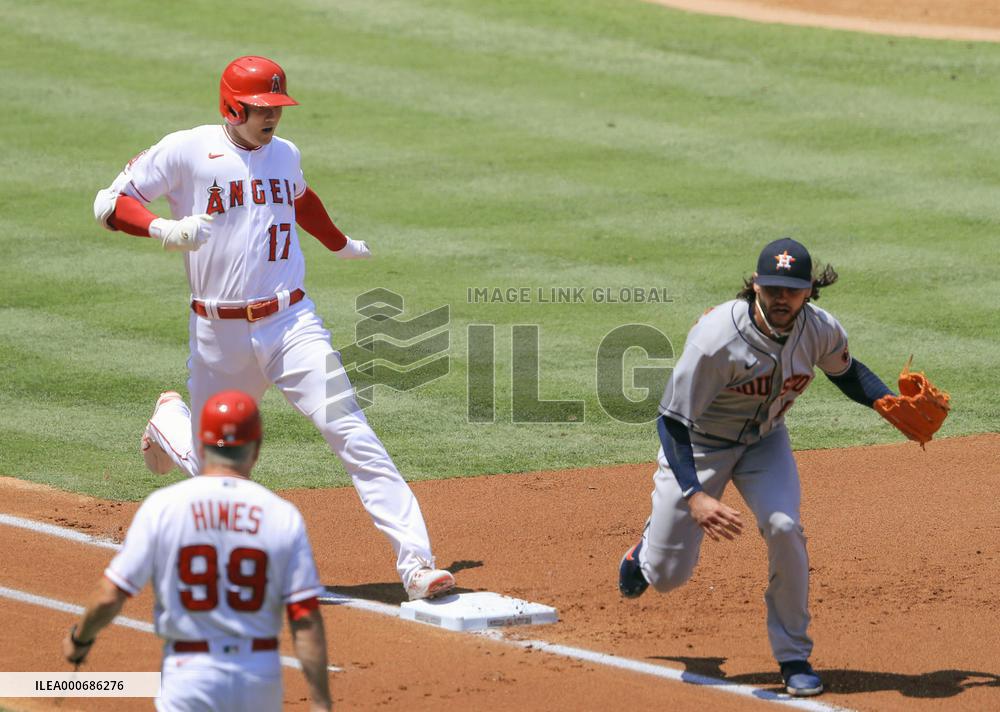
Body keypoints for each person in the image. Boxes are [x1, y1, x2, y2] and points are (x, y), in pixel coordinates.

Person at [92, 55, 454, 602]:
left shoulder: (284, 154)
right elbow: (108, 204)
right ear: (232, 106)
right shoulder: (186, 149)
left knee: (351, 430)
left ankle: (417, 564)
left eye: (277, 107)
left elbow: (301, 198)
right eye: (261, 108)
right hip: (220, 336)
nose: (272, 118)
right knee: (218, 475)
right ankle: (171, 422)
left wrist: (339, 243)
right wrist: (165, 229)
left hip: (291, 324)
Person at [617, 238, 947, 697]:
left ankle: (793, 656)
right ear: (755, 286)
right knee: (668, 576)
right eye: (772, 288)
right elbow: (672, 421)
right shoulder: (716, 340)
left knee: (784, 525)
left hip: (764, 443)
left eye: (791, 290)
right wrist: (695, 496)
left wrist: (880, 400)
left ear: (809, 291)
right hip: (699, 446)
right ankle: (644, 553)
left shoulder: (820, 329)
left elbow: (845, 371)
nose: (781, 298)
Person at [63, 390, 332, 712]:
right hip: (258, 676)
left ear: (200, 446)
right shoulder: (282, 515)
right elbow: (305, 618)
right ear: (256, 450)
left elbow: (111, 595)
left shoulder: (164, 507)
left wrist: (80, 640)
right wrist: (321, 703)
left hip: (189, 675)